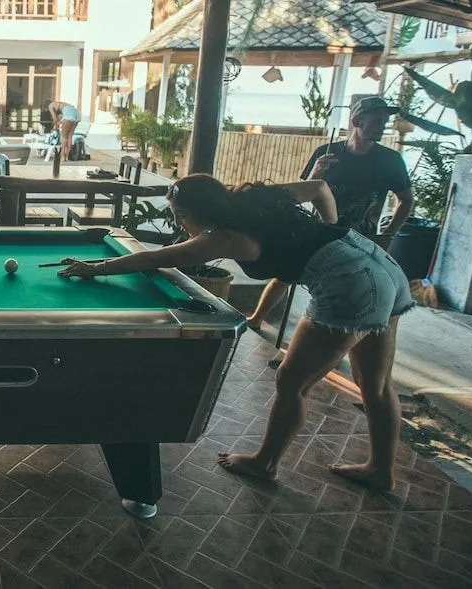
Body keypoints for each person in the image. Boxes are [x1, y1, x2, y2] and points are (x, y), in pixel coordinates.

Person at [58, 174, 413, 490]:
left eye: (180, 215)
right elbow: (320, 188)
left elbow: (156, 258)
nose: (179, 222)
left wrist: (95, 268)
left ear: (197, 212)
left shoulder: (223, 237)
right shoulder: (253, 198)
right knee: (376, 383)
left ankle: (265, 464)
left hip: (352, 282)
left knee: (292, 381)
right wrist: (326, 230)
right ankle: (380, 470)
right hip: (378, 262)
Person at [247, 96, 414, 330]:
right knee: (285, 274)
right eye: (377, 120)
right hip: (320, 230)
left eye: (384, 121)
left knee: (348, 287)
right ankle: (256, 318)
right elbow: (307, 189)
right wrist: (316, 172)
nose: (383, 126)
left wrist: (388, 234)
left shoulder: (390, 161)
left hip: (361, 236)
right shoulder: (328, 152)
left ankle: (329, 335)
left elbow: (407, 200)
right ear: (357, 121)